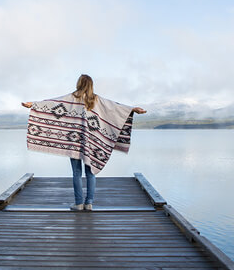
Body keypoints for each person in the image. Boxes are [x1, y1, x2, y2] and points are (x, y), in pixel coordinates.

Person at [22, 74, 146, 211]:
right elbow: (115, 108)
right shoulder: (97, 100)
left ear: (79, 83)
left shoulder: (72, 98)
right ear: (91, 85)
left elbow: (53, 103)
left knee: (76, 173)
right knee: (90, 172)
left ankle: (79, 203)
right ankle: (89, 203)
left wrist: (34, 105)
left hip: (74, 140)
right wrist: (132, 109)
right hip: (92, 142)